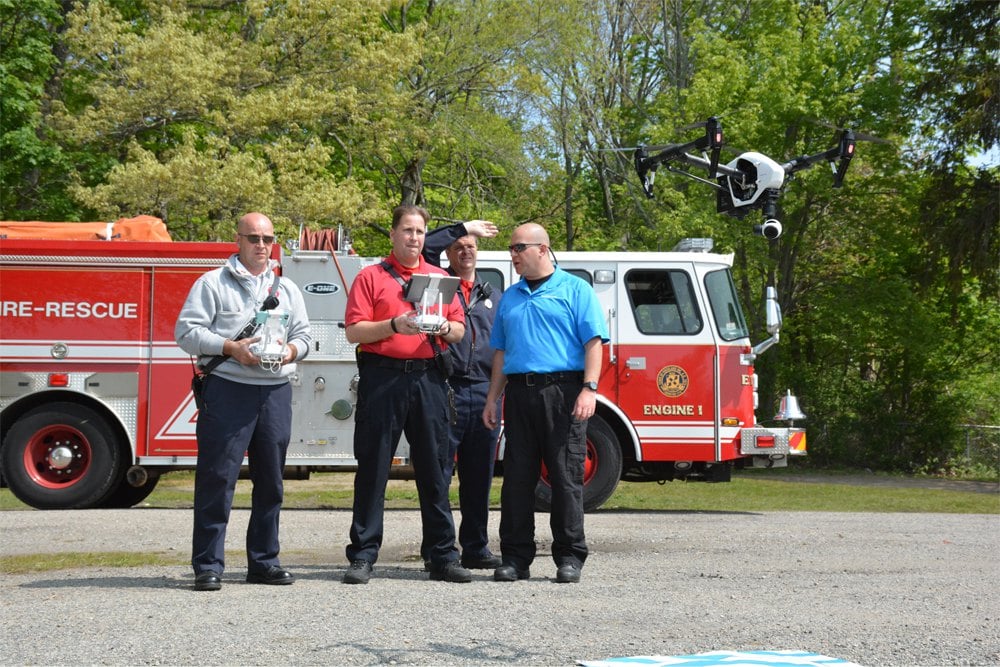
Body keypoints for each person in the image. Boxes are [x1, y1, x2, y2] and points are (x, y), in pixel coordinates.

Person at [175, 212, 312, 592]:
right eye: (253, 237)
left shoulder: (287, 290)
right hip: (228, 389)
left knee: (271, 482)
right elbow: (185, 333)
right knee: (218, 478)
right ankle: (207, 565)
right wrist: (229, 347)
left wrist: (290, 351)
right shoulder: (212, 283)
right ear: (237, 240)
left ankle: (264, 562)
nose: (261, 245)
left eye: (267, 238)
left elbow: (305, 336)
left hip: (275, 392)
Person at [342, 204, 472, 584]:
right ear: (393, 234)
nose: (414, 238)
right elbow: (354, 332)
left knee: (435, 469)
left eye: (419, 232)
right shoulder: (371, 277)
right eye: (407, 231)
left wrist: (445, 327)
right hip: (382, 378)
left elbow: (460, 331)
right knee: (373, 468)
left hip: (428, 378)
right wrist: (395, 325)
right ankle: (363, 555)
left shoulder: (440, 278)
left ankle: (443, 556)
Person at [482, 223, 608, 584]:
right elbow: (502, 353)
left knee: (566, 476)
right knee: (517, 479)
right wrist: (493, 398)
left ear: (542, 249)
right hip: (520, 393)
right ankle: (515, 559)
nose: (513, 255)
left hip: (564, 392)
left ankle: (569, 556)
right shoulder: (510, 297)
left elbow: (594, 343)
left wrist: (589, 389)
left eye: (519, 247)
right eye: (511, 248)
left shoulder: (575, 289)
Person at [419, 219, 502, 571]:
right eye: (458, 246)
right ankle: (437, 548)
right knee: (437, 473)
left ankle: (476, 547)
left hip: (483, 391)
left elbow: (501, 348)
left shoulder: (493, 295)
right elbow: (426, 246)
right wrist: (464, 227)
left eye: (470, 245)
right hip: (445, 386)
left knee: (478, 475)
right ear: (448, 253)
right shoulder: (439, 286)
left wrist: (495, 397)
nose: (465, 250)